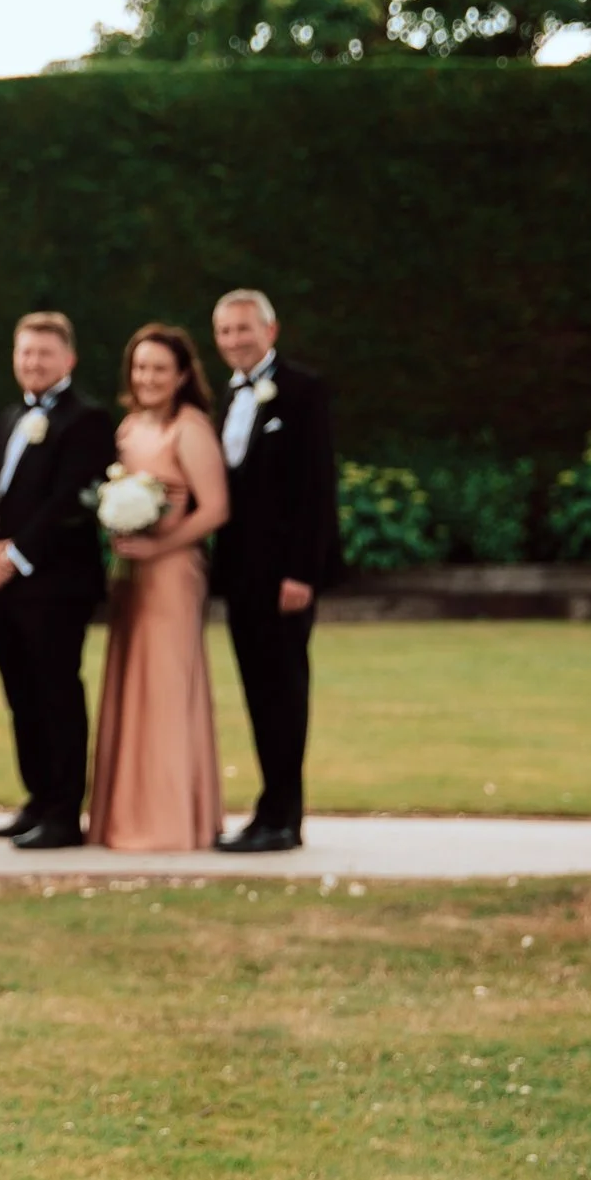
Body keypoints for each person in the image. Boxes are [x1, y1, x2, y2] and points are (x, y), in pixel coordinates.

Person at [0, 312, 119, 851]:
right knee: (22, 696)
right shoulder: (9, 416)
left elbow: (69, 502)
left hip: (56, 584)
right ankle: (36, 799)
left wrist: (19, 554)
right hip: (3, 582)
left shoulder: (88, 420)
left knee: (57, 693)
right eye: (25, 353)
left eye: (43, 354)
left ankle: (63, 813)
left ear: (68, 360)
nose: (32, 363)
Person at [88, 323, 232, 852]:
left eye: (159, 369)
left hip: (172, 573)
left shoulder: (189, 427)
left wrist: (158, 548)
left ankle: (170, 820)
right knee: (131, 687)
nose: (148, 377)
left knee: (165, 688)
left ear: (182, 376)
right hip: (131, 574)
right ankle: (126, 816)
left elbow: (216, 508)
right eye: (141, 367)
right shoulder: (127, 430)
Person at [210, 289, 340, 853]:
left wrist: (302, 574)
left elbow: (316, 488)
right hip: (239, 576)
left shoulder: (303, 392)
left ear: (271, 330)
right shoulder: (222, 398)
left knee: (285, 693)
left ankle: (285, 816)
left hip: (285, 578)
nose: (235, 340)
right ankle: (267, 809)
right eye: (225, 331)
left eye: (244, 329)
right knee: (258, 693)